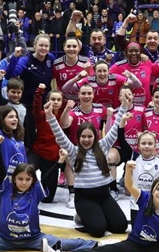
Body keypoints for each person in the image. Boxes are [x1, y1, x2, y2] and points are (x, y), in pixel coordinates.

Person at [48, 100, 128, 237]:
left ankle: (97, 214)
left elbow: (115, 129)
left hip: (104, 196)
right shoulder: (73, 151)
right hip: (85, 198)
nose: (86, 140)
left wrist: (124, 106)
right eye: (83, 136)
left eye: (89, 136)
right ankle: (81, 216)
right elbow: (59, 135)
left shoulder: (103, 146)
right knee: (98, 230)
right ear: (78, 138)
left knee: (120, 226)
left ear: (95, 137)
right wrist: (50, 116)